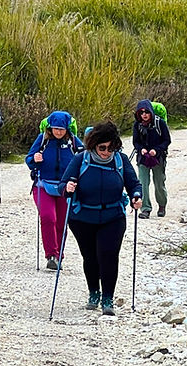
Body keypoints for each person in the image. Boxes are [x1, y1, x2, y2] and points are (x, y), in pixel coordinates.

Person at [57, 121, 142, 316]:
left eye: (111, 147)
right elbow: (63, 185)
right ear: (93, 144)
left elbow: (133, 184)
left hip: (113, 216)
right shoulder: (81, 159)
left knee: (109, 255)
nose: (106, 152)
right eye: (102, 147)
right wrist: (67, 188)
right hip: (82, 218)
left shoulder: (120, 160)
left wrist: (137, 196)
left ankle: (107, 298)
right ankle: (93, 292)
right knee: (90, 257)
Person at [26, 111, 83, 269]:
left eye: (62, 129)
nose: (58, 131)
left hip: (65, 188)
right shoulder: (43, 140)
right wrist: (34, 159)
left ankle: (58, 256)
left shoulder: (73, 141)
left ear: (67, 128)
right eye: (55, 128)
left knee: (61, 223)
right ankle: (51, 254)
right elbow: (29, 159)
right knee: (48, 217)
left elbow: (84, 159)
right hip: (43, 185)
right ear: (50, 128)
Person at [132, 99, 171, 219]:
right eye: (141, 112)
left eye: (146, 112)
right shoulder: (137, 125)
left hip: (158, 158)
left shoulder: (160, 123)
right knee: (143, 183)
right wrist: (141, 149)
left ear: (151, 112)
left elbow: (167, 140)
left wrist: (157, 150)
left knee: (159, 182)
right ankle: (145, 209)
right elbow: (136, 142)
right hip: (143, 158)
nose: (144, 114)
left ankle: (162, 205)